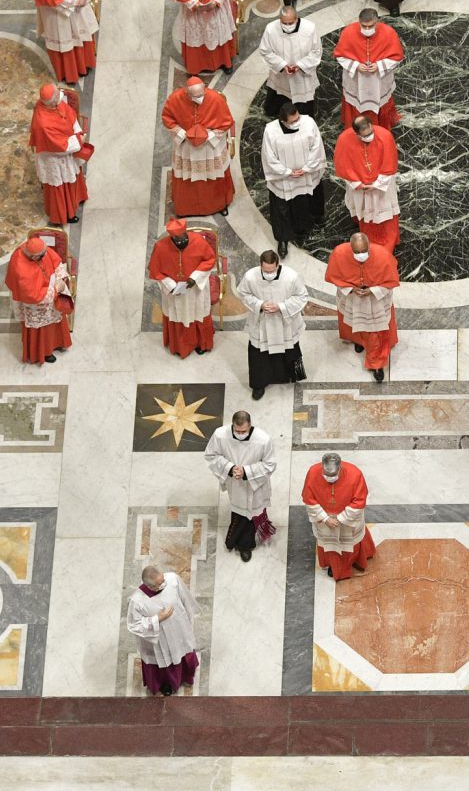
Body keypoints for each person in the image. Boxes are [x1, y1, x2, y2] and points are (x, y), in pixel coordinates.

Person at [324, 233, 399, 382]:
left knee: (376, 333)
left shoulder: (383, 256)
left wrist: (372, 290)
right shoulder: (339, 254)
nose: (360, 255)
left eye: (364, 251)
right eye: (356, 252)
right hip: (352, 298)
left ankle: (377, 365)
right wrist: (351, 289)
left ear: (369, 246)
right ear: (350, 248)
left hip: (375, 300)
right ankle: (359, 341)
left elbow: (391, 281)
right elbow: (334, 277)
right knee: (354, 324)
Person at [203, 412, 278, 561]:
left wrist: (246, 472)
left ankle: (245, 545)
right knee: (239, 511)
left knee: (251, 515)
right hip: (235, 484)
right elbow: (211, 456)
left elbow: (270, 464)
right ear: (232, 425)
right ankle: (239, 542)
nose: (240, 435)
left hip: (256, 484)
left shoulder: (263, 439)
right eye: (237, 431)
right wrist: (230, 468)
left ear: (250, 425)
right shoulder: (220, 435)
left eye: (244, 431)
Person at [235, 250, 309, 399]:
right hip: (261, 321)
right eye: (265, 271)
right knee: (258, 354)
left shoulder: (291, 276)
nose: (269, 274)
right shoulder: (250, 276)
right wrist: (260, 304)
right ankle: (258, 384)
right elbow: (243, 293)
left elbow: (302, 296)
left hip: (284, 321)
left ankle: (287, 376)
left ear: (277, 265)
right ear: (260, 265)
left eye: (272, 271)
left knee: (288, 349)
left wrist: (281, 307)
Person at [162, 75, 236, 217]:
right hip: (186, 146)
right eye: (195, 96)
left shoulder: (215, 99)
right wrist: (183, 134)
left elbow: (227, 122)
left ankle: (219, 204)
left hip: (211, 147)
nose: (199, 99)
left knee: (215, 177)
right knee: (186, 179)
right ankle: (186, 208)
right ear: (187, 92)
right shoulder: (175, 99)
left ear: (204, 88)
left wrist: (208, 136)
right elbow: (167, 118)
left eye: (201, 95)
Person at [261, 103, 326, 257]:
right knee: (281, 208)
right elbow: (269, 157)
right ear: (283, 121)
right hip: (284, 178)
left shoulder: (308, 122)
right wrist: (287, 172)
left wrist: (307, 168)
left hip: (306, 174)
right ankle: (282, 239)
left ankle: (306, 226)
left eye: (298, 118)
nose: (297, 122)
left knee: (307, 201)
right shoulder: (271, 131)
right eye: (293, 121)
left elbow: (317, 146)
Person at [126, 566, 199, 697]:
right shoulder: (137, 601)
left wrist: (187, 620)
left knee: (182, 651)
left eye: (163, 580)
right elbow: (134, 625)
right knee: (164, 660)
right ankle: (165, 683)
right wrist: (157, 619)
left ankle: (186, 675)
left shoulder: (172, 579)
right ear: (150, 586)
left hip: (178, 629)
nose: (164, 584)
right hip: (160, 639)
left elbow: (185, 599)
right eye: (159, 584)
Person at [148, 219, 216, 358]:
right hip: (175, 292)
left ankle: (202, 343)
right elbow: (155, 270)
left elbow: (209, 259)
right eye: (177, 239)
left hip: (196, 289)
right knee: (179, 315)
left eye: (183, 237)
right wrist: (171, 286)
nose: (181, 241)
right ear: (171, 237)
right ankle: (181, 346)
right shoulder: (160, 247)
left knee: (198, 313)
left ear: (186, 232)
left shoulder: (198, 241)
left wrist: (195, 277)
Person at [302, 452, 376, 580]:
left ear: (340, 467)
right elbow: (308, 498)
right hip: (325, 519)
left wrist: (341, 519)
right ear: (322, 467)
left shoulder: (355, 474)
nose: (329, 478)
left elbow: (359, 501)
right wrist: (325, 518)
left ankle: (352, 561)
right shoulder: (313, 472)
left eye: (333, 475)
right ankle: (333, 564)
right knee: (330, 544)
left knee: (350, 543)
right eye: (326, 474)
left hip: (347, 520)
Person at [333, 115, 400, 251]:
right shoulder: (344, 140)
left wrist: (377, 184)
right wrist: (358, 184)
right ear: (356, 134)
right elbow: (343, 167)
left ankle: (389, 240)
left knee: (385, 213)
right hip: (361, 187)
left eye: (371, 133)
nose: (369, 137)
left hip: (382, 185)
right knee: (365, 212)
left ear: (371, 125)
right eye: (365, 136)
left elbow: (390, 164)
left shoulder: (385, 136)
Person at [28, 83, 90, 225]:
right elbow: (60, 146)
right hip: (55, 157)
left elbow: (69, 113)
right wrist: (79, 140)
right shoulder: (43, 124)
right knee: (60, 187)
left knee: (73, 177)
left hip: (66, 147)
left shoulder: (54, 103)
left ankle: (77, 198)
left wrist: (77, 130)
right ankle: (65, 214)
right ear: (52, 102)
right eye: (57, 96)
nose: (60, 96)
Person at [4, 235, 72, 364]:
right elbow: (32, 295)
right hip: (36, 304)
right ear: (34, 257)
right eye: (42, 255)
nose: (45, 255)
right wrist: (56, 289)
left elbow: (54, 259)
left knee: (56, 318)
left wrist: (60, 276)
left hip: (51, 291)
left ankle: (59, 342)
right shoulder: (19, 266)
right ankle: (44, 352)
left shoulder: (39, 250)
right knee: (42, 328)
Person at [335, 8, 404, 129]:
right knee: (356, 102)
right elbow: (340, 55)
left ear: (377, 21)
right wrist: (356, 66)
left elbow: (397, 56)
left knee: (381, 101)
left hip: (379, 80)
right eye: (364, 26)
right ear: (359, 21)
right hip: (356, 80)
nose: (367, 29)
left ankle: (382, 126)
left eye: (371, 26)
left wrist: (379, 65)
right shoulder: (348, 32)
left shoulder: (388, 32)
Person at [260, 7, 322, 119]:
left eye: (290, 23)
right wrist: (282, 65)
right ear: (279, 19)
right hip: (281, 76)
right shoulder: (271, 29)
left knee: (304, 109)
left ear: (296, 18)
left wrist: (301, 65)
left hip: (302, 75)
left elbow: (316, 51)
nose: (287, 26)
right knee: (279, 96)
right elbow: (265, 51)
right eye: (284, 23)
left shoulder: (309, 28)